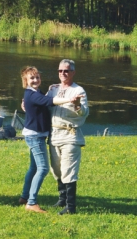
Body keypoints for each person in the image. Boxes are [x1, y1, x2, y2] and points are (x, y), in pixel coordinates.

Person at [18, 66, 83, 214]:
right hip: (35, 136)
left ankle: (24, 197)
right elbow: (51, 101)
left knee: (34, 168)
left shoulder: (35, 93)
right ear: (26, 81)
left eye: (37, 77)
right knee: (43, 168)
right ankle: (31, 202)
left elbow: (40, 106)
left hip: (35, 134)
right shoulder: (32, 94)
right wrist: (70, 99)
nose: (35, 80)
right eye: (32, 78)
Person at [46, 59, 89, 215]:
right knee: (56, 170)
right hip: (54, 135)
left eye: (66, 70)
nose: (63, 73)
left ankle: (71, 207)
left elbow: (84, 112)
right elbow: (44, 104)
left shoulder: (79, 91)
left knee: (68, 170)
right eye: (60, 71)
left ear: (73, 72)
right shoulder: (52, 90)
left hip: (70, 135)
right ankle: (62, 199)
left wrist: (77, 105)